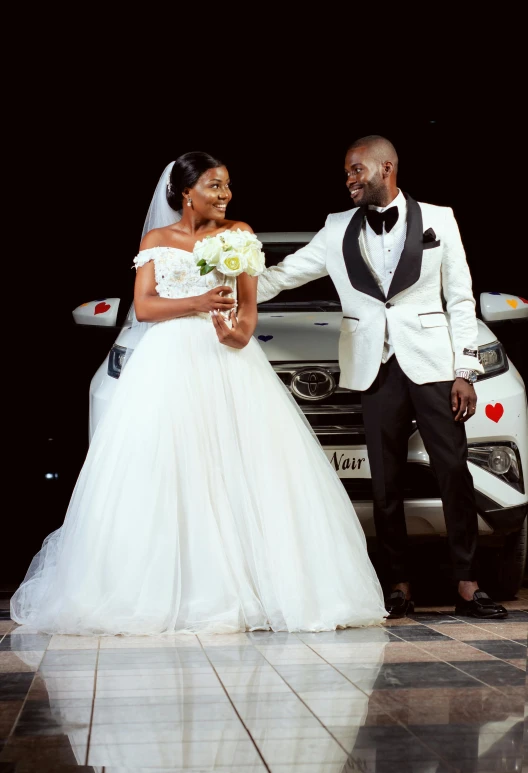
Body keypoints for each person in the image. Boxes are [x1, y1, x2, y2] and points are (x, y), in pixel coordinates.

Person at [10, 151, 387, 635]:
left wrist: (238, 332)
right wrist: (198, 302)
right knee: (168, 471)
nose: (225, 194)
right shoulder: (156, 240)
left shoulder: (240, 235)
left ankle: (254, 585)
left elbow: (248, 312)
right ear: (185, 193)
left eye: (227, 184)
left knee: (243, 467)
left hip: (226, 361)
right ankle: (170, 590)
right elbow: (144, 307)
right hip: (167, 364)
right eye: (214, 185)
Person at [256, 135, 508, 620]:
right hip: (373, 366)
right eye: (347, 172)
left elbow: (460, 298)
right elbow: (285, 275)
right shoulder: (336, 228)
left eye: (356, 170)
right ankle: (398, 585)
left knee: (452, 471)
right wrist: (228, 288)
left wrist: (465, 370)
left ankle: (467, 582)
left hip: (433, 364)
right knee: (385, 481)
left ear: (386, 167)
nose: (349, 179)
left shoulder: (440, 218)